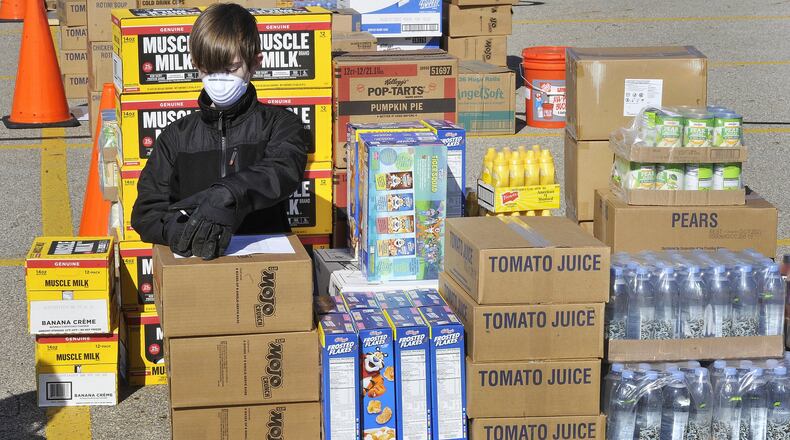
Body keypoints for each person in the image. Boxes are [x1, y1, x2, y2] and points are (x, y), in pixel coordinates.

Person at [131, 3, 309, 260]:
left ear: (255, 63)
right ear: (195, 65)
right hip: (198, 266)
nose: (220, 79)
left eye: (231, 69)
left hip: (265, 265)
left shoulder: (280, 124)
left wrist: (229, 192)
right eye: (209, 69)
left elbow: (283, 168)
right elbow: (147, 211)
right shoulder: (176, 137)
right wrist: (180, 231)